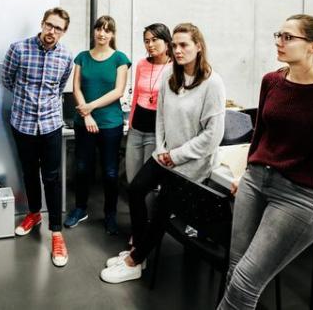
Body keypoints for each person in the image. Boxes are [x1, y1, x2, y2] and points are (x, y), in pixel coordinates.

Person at [218, 14, 313, 310]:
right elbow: (261, 135)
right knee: (235, 269)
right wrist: (246, 173)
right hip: (256, 182)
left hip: (301, 197)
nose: (278, 42)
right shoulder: (272, 80)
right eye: (278, 35)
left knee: (244, 282)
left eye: (288, 37)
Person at [100, 22, 225, 283]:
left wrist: (176, 155)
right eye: (175, 45)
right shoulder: (171, 77)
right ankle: (139, 249)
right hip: (165, 155)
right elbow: (161, 120)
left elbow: (212, 136)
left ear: (198, 46)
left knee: (162, 206)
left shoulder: (212, 83)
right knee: (135, 190)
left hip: (191, 162)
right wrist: (161, 148)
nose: (177, 50)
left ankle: (136, 260)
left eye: (184, 45)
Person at [1, 7, 73, 267]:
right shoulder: (18, 49)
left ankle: (56, 232)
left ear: (64, 32)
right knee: (29, 172)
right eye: (49, 25)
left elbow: (61, 85)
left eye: (59, 28)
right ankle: (33, 214)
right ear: (42, 24)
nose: (52, 32)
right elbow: (7, 79)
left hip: (51, 125)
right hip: (23, 123)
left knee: (52, 178)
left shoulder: (66, 56)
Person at [64, 15, 131, 235]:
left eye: (107, 30)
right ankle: (80, 209)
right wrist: (86, 115)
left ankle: (110, 214)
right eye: (99, 29)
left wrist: (89, 107)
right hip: (84, 123)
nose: (102, 33)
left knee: (110, 172)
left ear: (112, 34)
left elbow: (118, 91)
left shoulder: (120, 59)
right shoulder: (82, 58)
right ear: (94, 31)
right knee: (82, 168)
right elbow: (76, 88)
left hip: (110, 123)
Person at [125, 23, 172, 183]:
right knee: (132, 180)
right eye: (146, 41)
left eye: (154, 40)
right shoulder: (142, 64)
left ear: (167, 42)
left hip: (156, 132)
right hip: (136, 130)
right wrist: (130, 123)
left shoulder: (175, 68)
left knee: (148, 183)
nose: (150, 45)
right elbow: (137, 94)